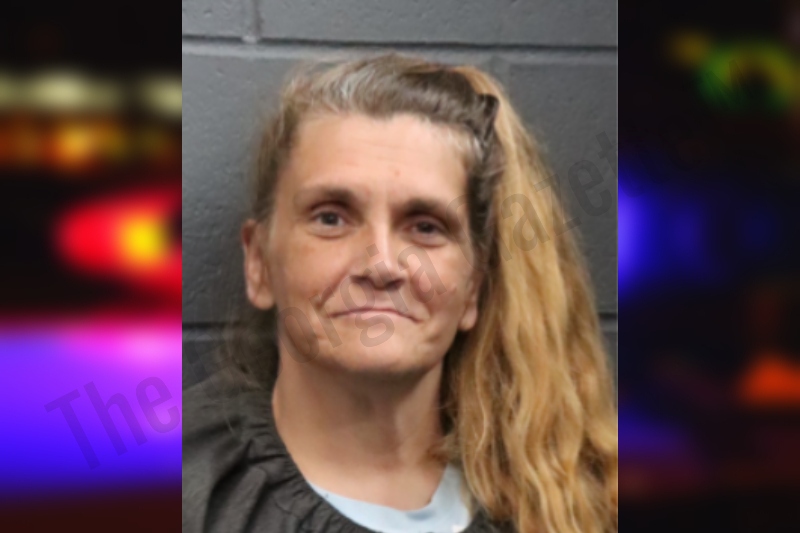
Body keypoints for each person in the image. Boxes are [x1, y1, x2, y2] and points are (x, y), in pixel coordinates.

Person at [182, 53, 618, 533]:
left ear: (473, 286)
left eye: (426, 227)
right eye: (331, 218)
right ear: (259, 263)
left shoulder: (577, 503)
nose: (382, 265)